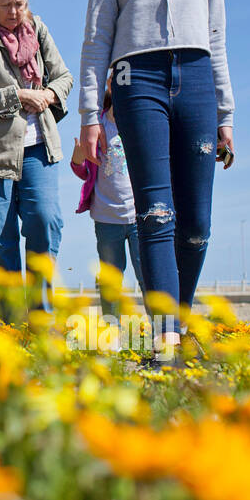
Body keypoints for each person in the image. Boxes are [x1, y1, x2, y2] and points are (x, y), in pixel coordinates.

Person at [78, 0, 235, 366]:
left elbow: (216, 36)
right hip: (135, 78)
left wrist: (225, 111)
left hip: (195, 77)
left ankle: (178, 319)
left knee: (196, 222)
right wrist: (89, 119)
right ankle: (166, 337)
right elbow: (98, 35)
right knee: (156, 210)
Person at [0, 0, 73, 322]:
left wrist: (50, 94)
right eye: (6, 5)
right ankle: (11, 322)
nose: (15, 12)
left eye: (20, 4)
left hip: (40, 147)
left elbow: (64, 76)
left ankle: (41, 318)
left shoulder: (38, 29)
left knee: (45, 220)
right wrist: (17, 96)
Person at [70, 72, 144, 318]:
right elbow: (83, 171)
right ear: (110, 86)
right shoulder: (97, 126)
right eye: (116, 82)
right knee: (110, 280)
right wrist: (77, 160)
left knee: (148, 276)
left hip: (139, 218)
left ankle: (163, 335)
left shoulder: (141, 123)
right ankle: (112, 334)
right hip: (106, 219)